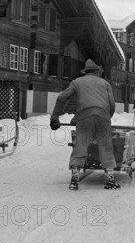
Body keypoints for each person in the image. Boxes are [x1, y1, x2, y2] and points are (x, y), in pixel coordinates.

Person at [49, 59, 119, 190]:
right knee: (106, 146)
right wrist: (106, 118)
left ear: (85, 72)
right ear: (97, 71)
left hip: (84, 117)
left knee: (80, 146)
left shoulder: (77, 82)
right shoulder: (105, 83)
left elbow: (61, 98)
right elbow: (112, 104)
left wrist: (55, 117)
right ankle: (109, 180)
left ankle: (75, 180)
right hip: (103, 117)